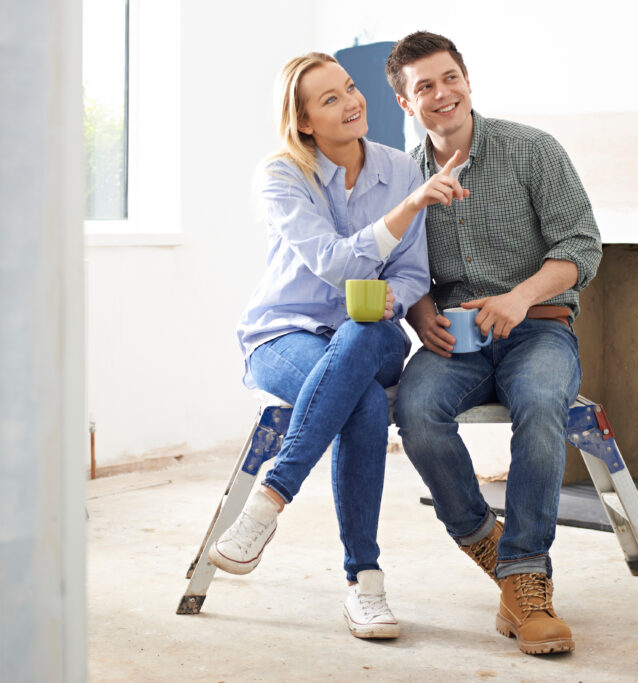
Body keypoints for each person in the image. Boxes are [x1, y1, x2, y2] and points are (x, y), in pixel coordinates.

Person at [210, 52, 468, 640]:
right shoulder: (281, 175)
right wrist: (410, 209)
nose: (352, 102)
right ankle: (366, 584)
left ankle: (270, 498)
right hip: (282, 334)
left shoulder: (400, 168)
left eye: (349, 88)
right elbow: (330, 262)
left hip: (372, 334)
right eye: (330, 99)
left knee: (362, 333)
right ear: (304, 122)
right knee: (366, 405)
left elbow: (411, 274)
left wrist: (383, 299)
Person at [386, 32, 602, 655]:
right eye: (424, 86)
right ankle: (491, 544)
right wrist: (423, 309)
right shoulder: (405, 175)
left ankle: (527, 575)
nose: (441, 93)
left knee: (540, 404)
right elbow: (404, 264)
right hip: (458, 335)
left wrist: (520, 298)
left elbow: (580, 248)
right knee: (415, 410)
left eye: (449, 77)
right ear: (406, 102)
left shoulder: (533, 150)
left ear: (467, 80)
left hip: (539, 326)